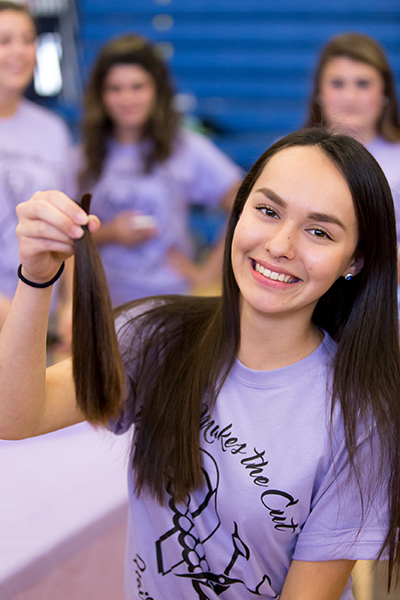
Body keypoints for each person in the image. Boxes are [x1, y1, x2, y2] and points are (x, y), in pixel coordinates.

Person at [2, 127, 400, 600]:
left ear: (353, 260)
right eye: (268, 211)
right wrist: (37, 278)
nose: (280, 245)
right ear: (238, 213)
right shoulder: (156, 337)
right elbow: (16, 416)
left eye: (318, 231)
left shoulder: (359, 417)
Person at [70, 33, 242, 306]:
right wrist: (112, 232)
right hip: (101, 303)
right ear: (100, 95)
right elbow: (70, 235)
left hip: (170, 302)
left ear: (157, 90)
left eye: (138, 86)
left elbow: (241, 200)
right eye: (115, 88)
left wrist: (207, 272)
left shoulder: (185, 147)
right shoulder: (82, 156)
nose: (127, 98)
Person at [0, 0, 72, 342]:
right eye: (5, 40)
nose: (20, 51)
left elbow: (68, 221)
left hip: (40, 320)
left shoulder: (52, 129)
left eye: (28, 39)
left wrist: (71, 305)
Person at [304, 32, 400, 238]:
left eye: (363, 84)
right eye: (337, 84)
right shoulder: (287, 156)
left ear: (385, 93)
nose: (350, 97)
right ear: (319, 92)